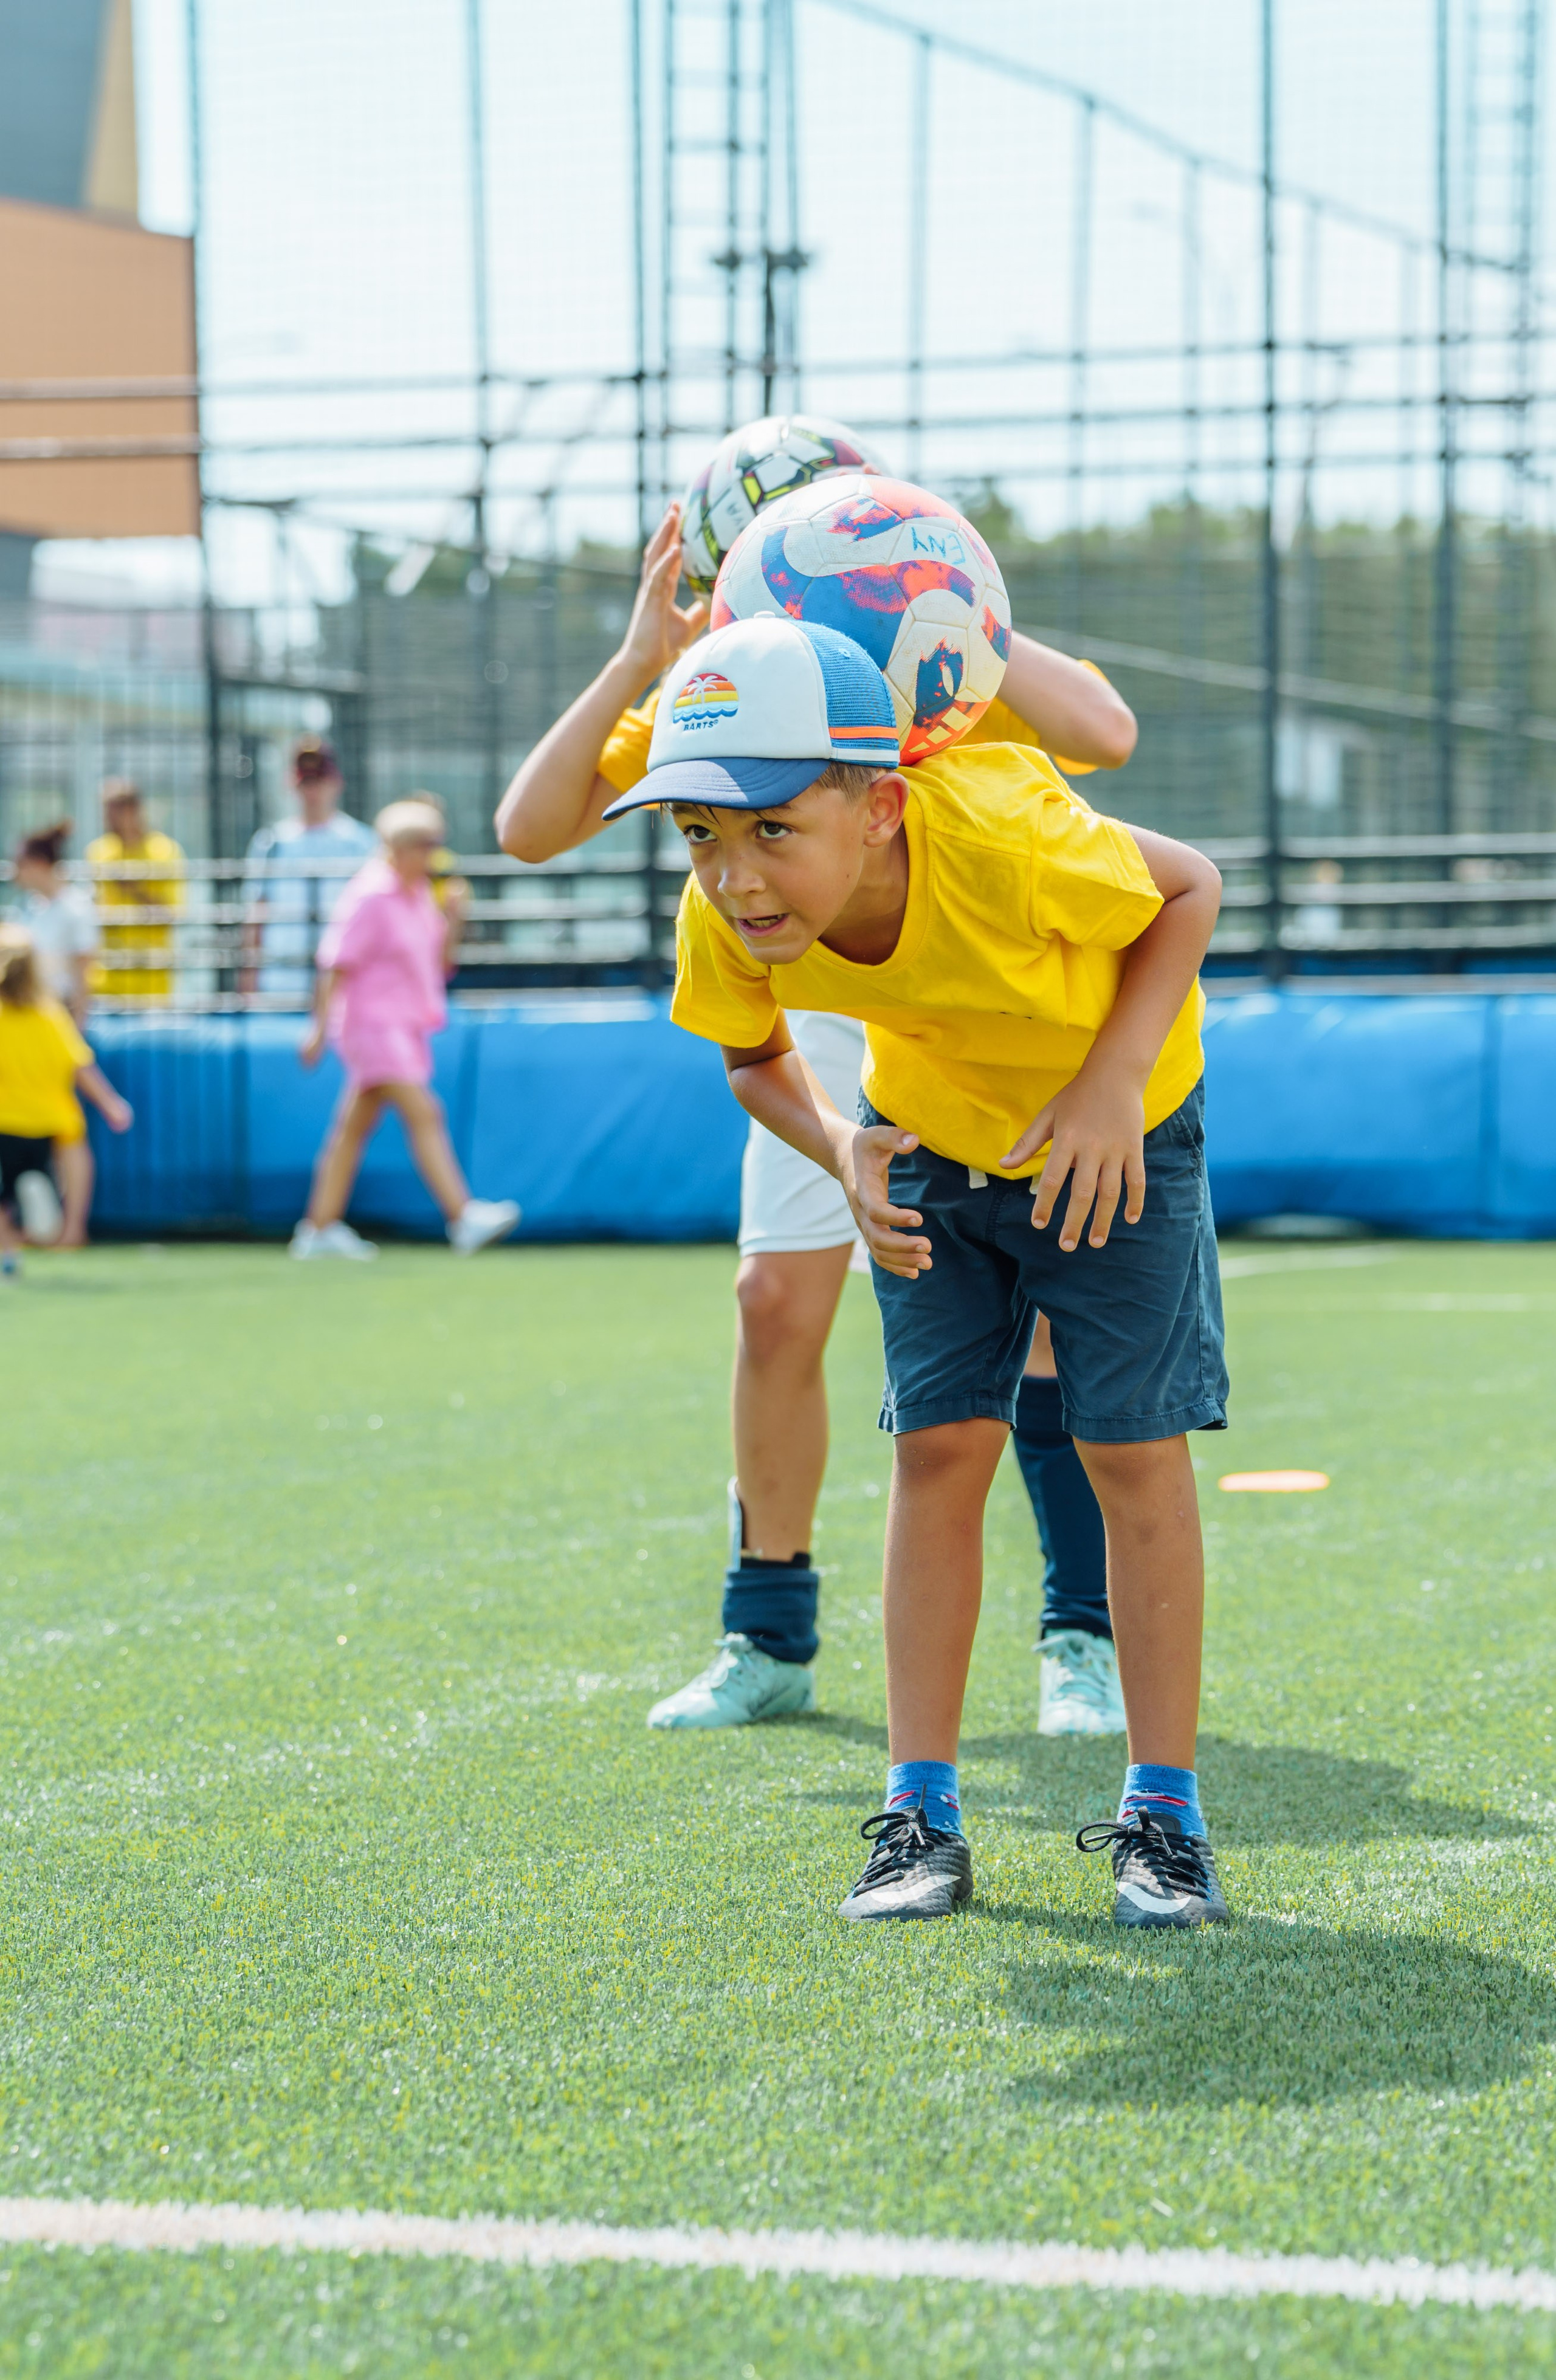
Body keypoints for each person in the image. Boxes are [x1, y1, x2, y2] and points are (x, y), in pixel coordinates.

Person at [603, 614, 1228, 1929]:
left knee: (1129, 1450)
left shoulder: (1000, 830)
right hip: (936, 1146)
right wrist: (841, 1146)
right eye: (699, 835)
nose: (734, 874)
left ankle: (1162, 1816)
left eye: (772, 827)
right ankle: (917, 1812)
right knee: (938, 1450)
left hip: (1113, 1132)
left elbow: (1188, 888)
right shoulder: (731, 906)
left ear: (878, 806)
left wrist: (1111, 1087)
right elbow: (751, 1054)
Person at [497, 498, 1131, 1739]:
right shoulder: (739, 684)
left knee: (1040, 1317)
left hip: (967, 985)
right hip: (817, 997)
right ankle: (766, 1629)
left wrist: (946, 598)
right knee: (773, 1301)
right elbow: (528, 829)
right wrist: (641, 656)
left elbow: (1105, 730)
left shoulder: (930, 654)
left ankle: (1078, 1633)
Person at [291, 797, 519, 1261]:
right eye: (425, 845)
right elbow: (335, 963)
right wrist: (318, 1030)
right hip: (372, 1026)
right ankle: (462, 1215)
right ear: (399, 847)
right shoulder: (371, 894)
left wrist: (454, 919)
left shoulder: (418, 896)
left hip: (404, 1025)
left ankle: (318, 1229)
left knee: (351, 1129)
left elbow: (438, 963)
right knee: (424, 1112)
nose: (433, 855)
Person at [0, 926, 133, 1271]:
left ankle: (7, 1242)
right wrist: (112, 1105)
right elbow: (81, 1065)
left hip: (5, 1121)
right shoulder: (49, 1014)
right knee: (75, 1147)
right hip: (52, 1120)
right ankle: (72, 1230)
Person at [244, 737, 377, 1003]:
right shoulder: (271, 842)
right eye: (306, 782)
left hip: (345, 989)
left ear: (336, 783)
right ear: (293, 785)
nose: (313, 791)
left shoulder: (361, 842)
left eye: (320, 780)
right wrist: (249, 983)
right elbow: (256, 915)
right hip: (283, 986)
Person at [86, 781, 185, 1003]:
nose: (106, 820)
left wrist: (133, 888)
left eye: (112, 812)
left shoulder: (165, 852)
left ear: (133, 810)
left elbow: (172, 914)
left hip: (150, 982)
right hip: (106, 980)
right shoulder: (98, 851)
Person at [11, 822, 97, 1021]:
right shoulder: (30, 907)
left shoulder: (77, 908)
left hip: (60, 1013)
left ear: (40, 863)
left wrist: (78, 1025)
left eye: (21, 864)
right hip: (30, 1009)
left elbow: (84, 975)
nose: (16, 873)